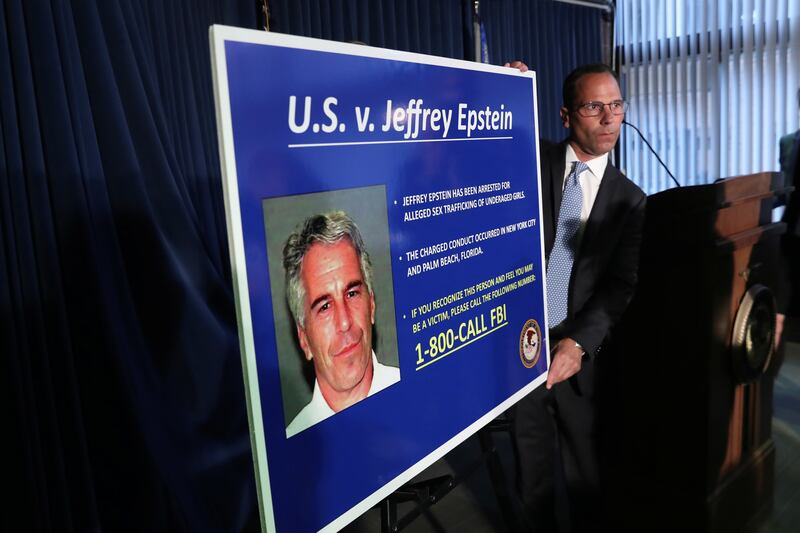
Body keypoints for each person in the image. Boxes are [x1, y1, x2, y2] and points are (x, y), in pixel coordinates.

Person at [511, 64, 646, 532]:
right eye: (595, 107)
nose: (610, 118)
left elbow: (619, 285)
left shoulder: (631, 200)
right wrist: (504, 89)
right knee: (534, 485)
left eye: (616, 106)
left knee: (588, 484)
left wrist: (579, 344)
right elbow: (491, 148)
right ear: (567, 115)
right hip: (522, 350)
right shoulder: (534, 162)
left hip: (581, 361)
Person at [283, 211, 400, 437]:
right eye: (324, 307)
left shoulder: (421, 394)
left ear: (372, 305)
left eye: (352, 293)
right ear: (304, 339)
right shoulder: (290, 454)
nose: (345, 322)